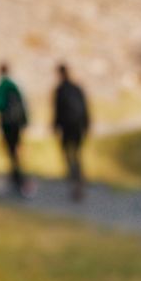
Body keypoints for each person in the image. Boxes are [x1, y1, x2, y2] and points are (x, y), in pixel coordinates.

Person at [52, 63, 90, 200]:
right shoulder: (76, 88)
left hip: (66, 127)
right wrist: (86, 124)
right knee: (77, 154)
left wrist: (55, 126)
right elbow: (85, 107)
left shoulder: (60, 90)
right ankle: (78, 179)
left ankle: (74, 179)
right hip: (77, 126)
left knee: (68, 154)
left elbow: (56, 111)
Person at [0, 61, 32, 198]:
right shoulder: (15, 85)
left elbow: (0, 105)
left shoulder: (1, 86)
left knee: (11, 151)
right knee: (17, 149)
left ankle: (17, 177)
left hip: (8, 124)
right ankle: (18, 176)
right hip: (17, 123)